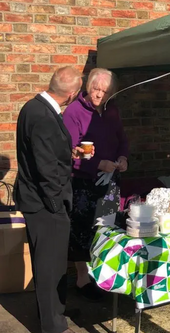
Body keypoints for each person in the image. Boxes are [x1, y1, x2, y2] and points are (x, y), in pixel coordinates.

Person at [15, 66, 83, 333]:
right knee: (49, 268)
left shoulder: (34, 108)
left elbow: (46, 154)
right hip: (45, 205)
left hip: (41, 201)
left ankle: (56, 314)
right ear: (72, 94)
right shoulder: (43, 115)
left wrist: (69, 153)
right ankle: (53, 326)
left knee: (52, 264)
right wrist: (56, 205)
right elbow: (45, 168)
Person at [63, 68, 129, 301]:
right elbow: (69, 154)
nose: (99, 94)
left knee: (107, 227)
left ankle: (103, 274)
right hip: (84, 182)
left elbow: (122, 139)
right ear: (87, 87)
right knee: (82, 229)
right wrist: (98, 164)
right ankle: (83, 278)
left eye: (105, 91)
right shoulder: (73, 112)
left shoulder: (112, 110)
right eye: (96, 89)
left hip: (110, 180)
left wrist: (123, 158)